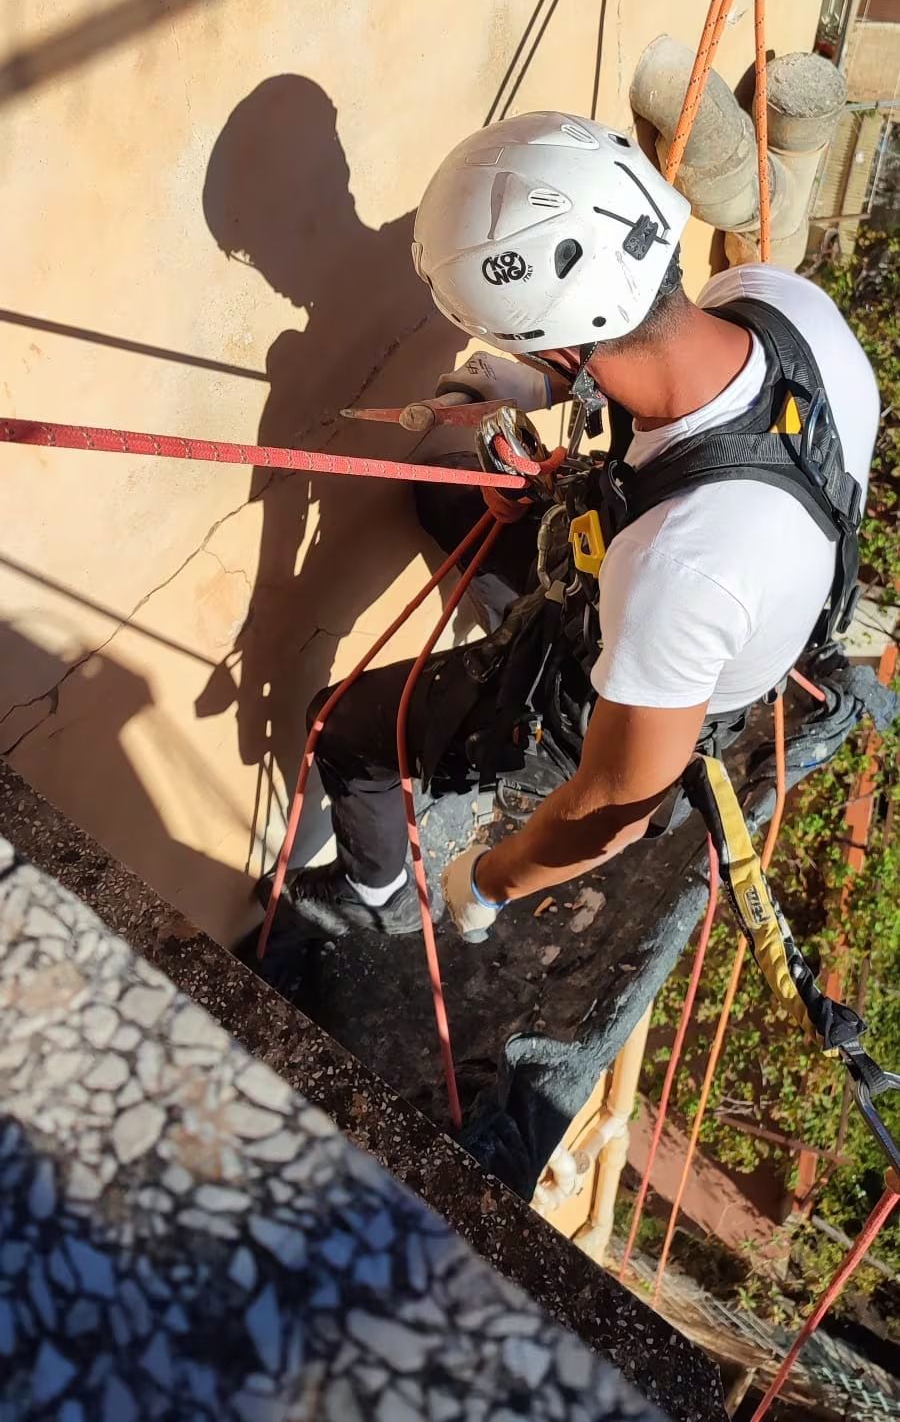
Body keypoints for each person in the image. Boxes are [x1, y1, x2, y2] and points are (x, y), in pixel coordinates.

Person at [259, 111, 879, 942]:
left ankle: (376, 899)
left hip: (620, 680)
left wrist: (485, 882)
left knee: (339, 727)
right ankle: (490, 652)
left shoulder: (677, 567)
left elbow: (616, 807)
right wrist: (524, 392)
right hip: (687, 587)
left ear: (560, 348)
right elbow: (641, 352)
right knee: (447, 493)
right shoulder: (778, 304)